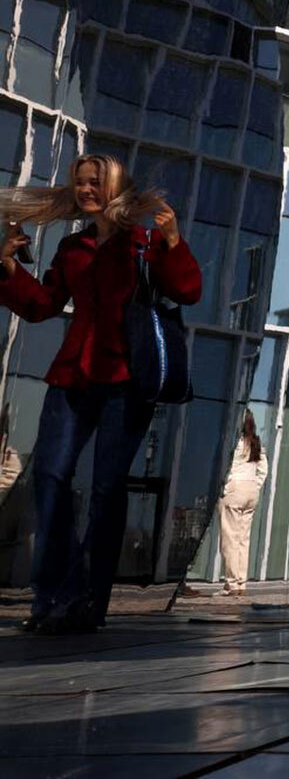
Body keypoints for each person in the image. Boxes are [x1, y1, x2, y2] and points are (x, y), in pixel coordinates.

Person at [0, 154, 201, 634]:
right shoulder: (73, 247)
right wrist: (6, 264)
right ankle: (54, 597)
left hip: (128, 379)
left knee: (108, 489)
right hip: (73, 376)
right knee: (50, 476)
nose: (86, 189)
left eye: (95, 182)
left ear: (115, 186)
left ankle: (90, 601)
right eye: (80, 182)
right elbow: (43, 305)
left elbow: (188, 291)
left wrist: (173, 240)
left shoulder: (144, 243)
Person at [218, 410, 269, 596]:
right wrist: (255, 485)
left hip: (234, 489)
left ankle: (231, 583)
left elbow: (225, 467)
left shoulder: (234, 442)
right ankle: (241, 582)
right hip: (251, 490)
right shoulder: (255, 442)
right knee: (243, 538)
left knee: (230, 538)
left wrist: (226, 487)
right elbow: (263, 469)